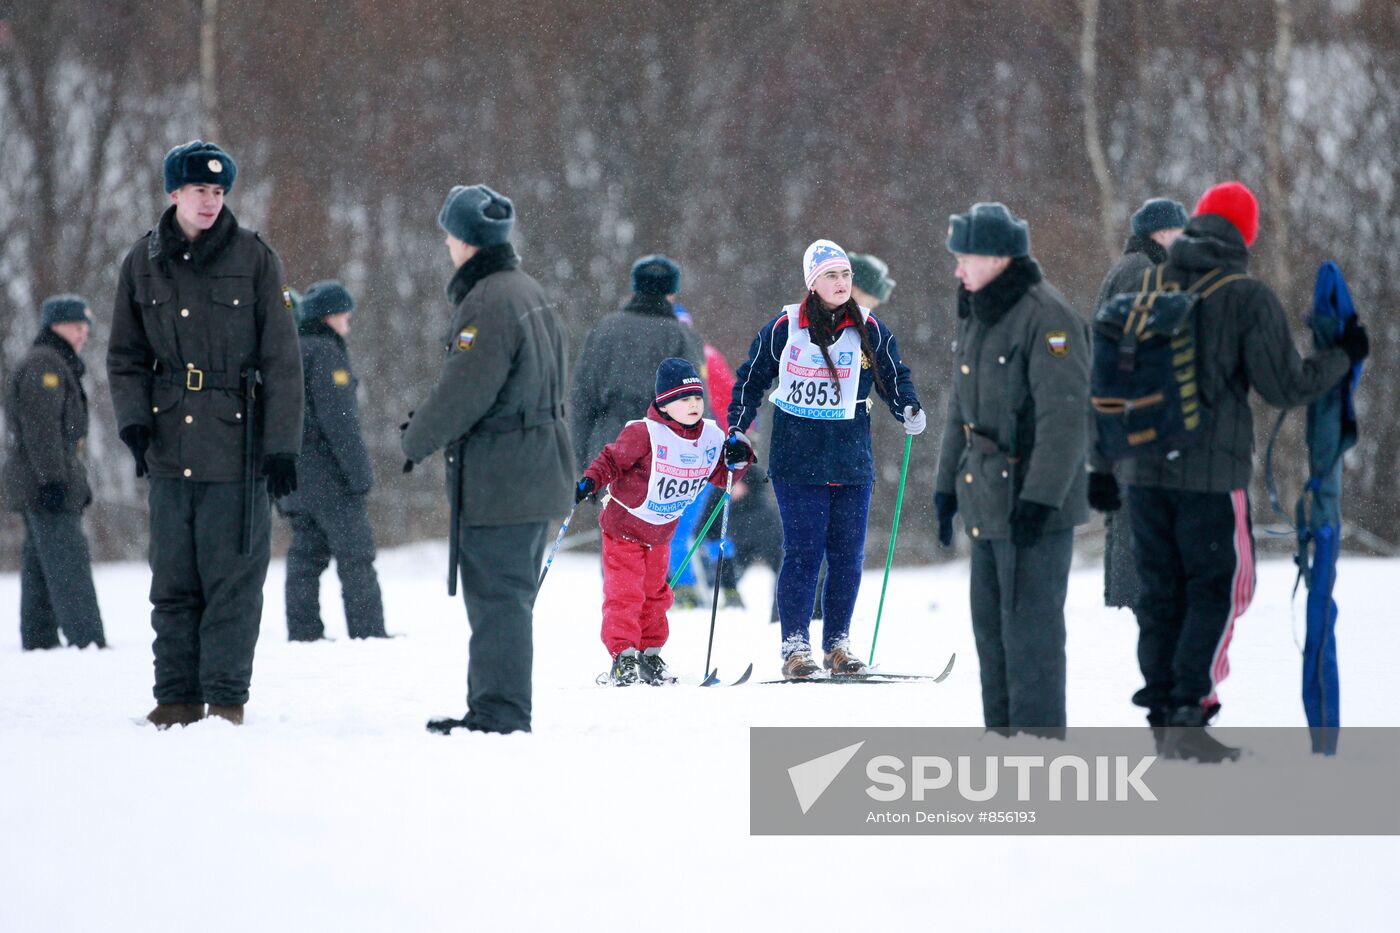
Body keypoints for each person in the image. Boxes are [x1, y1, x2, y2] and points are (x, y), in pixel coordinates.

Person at [1087, 181, 1370, 761]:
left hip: (1142, 475)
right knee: (1218, 590)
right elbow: (1284, 385)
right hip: (1209, 478)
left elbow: (1107, 374)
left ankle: (1166, 716)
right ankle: (1190, 709)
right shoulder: (1245, 296)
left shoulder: (1149, 281)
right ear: (1246, 234)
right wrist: (1343, 356)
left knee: (1161, 595)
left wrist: (1101, 461)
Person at [108, 140, 303, 728]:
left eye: (219, 192)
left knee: (232, 586)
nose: (210, 201)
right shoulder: (141, 263)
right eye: (199, 191)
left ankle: (224, 701)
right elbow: (124, 356)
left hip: (237, 451)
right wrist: (134, 420)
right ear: (174, 194)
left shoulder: (254, 259)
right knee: (172, 582)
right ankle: (175, 698)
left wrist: (282, 445)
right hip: (169, 449)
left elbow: (283, 359)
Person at [402, 183, 574, 735]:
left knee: (498, 598)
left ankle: (500, 713)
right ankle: (494, 706)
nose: (447, 244)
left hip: (506, 474)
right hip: (536, 467)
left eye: (450, 234)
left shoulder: (490, 300)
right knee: (508, 596)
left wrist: (417, 439)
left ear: (464, 239)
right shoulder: (528, 290)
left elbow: (467, 388)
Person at [729, 239, 923, 679]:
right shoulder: (784, 327)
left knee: (848, 556)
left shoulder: (870, 328)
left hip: (851, 461)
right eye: (831, 275)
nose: (841, 283)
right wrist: (738, 428)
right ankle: (795, 647)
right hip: (798, 460)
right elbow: (750, 379)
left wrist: (907, 407)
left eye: (846, 276)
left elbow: (895, 377)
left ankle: (838, 644)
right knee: (802, 553)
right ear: (812, 282)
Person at [934, 202, 1089, 733]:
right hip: (985, 499)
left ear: (999, 258)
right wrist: (944, 489)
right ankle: (1002, 741)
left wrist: (1040, 500)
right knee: (993, 633)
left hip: (1032, 505)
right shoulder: (978, 311)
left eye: (966, 258)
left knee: (1032, 636)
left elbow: (1064, 420)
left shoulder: (1048, 316)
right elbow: (961, 406)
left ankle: (1038, 748)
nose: (957, 270)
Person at [577, 358, 750, 685]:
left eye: (697, 398)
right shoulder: (644, 433)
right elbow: (611, 459)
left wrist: (739, 459)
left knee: (657, 594)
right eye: (684, 399)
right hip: (624, 528)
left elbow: (722, 475)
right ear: (666, 403)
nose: (694, 405)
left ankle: (650, 654)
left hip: (660, 532)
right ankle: (623, 657)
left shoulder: (708, 437)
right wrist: (590, 480)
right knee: (625, 593)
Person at [277, 280, 388, 641]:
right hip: (330, 480)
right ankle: (368, 632)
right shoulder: (325, 353)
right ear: (328, 316)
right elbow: (339, 420)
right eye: (344, 315)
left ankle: (304, 631)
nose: (348, 323)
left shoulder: (289, 352)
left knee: (305, 559)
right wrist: (359, 474)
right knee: (356, 556)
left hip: (294, 478)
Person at [1093, 198, 1189, 614]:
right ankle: (1133, 601)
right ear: (1163, 233)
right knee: (1136, 514)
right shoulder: (1142, 274)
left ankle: (1132, 597)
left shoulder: (1130, 268)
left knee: (1130, 512)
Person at [4, 295, 107, 650]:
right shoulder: (45, 365)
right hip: (45, 482)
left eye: (85, 329)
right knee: (67, 562)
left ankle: (39, 639)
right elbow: (42, 428)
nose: (83, 335)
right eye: (77, 327)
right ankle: (86, 639)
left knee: (39, 563)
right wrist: (54, 480)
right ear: (55, 326)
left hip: (37, 481)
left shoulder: (52, 361)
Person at [569, 254, 706, 474]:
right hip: (662, 457)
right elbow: (694, 407)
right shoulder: (683, 337)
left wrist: (584, 464)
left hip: (608, 451)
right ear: (671, 292)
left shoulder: (605, 330)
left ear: (636, 288)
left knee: (611, 508)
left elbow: (582, 400)